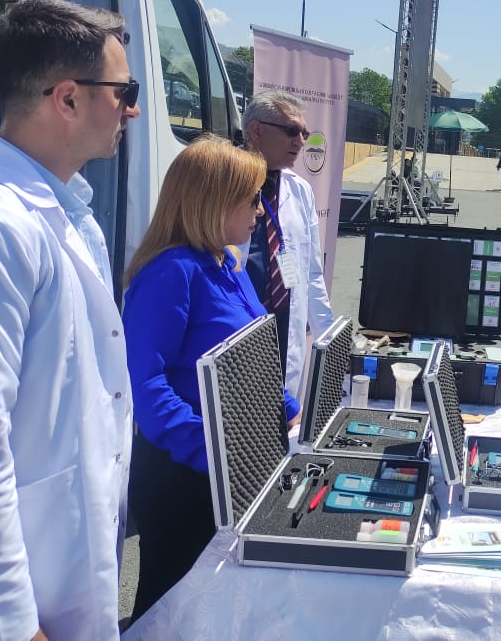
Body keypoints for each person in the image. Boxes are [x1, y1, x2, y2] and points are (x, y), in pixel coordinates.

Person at [0, 0, 138, 639]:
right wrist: (15, 629)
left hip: (65, 582)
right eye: (122, 92)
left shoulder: (67, 215)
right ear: (67, 98)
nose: (134, 109)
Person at [123, 135, 304, 619]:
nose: (261, 211)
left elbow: (251, 353)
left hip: (230, 466)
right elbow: (145, 384)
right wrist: (210, 449)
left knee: (213, 607)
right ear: (213, 200)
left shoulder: (227, 262)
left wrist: (290, 408)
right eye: (252, 198)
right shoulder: (171, 272)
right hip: (184, 475)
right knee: (169, 609)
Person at [242, 90, 336, 398]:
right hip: (240, 328)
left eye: (305, 133)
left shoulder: (301, 191)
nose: (301, 141)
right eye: (292, 131)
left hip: (284, 328)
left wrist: (329, 342)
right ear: (256, 131)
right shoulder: (222, 183)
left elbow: (310, 272)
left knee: (282, 422)